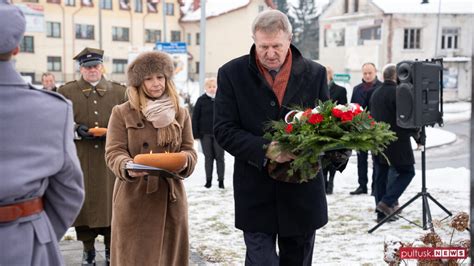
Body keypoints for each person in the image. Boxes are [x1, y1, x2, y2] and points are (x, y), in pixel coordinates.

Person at [214, 10, 329, 265]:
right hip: (255, 191)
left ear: (289, 38)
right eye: (262, 46)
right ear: (254, 40)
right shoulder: (231, 74)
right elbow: (223, 129)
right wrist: (266, 148)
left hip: (302, 192)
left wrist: (329, 147)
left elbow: (327, 125)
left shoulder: (316, 73)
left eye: (276, 45)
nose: (270, 53)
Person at [0, 3, 84, 265]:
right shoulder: (51, 110)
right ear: (17, 48)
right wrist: (37, 231)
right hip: (25, 244)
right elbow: (69, 191)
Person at [105, 51, 197, 265]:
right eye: (148, 78)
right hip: (134, 197)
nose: (156, 84)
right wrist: (127, 166)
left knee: (168, 258)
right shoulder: (122, 112)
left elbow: (190, 150)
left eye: (160, 77)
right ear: (138, 83)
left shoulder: (180, 113)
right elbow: (113, 151)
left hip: (170, 197)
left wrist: (184, 161)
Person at [58, 47, 127, 265]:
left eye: (95, 66)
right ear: (81, 69)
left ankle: (110, 249)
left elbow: (130, 121)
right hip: (80, 157)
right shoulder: (66, 92)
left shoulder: (119, 92)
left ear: (102, 66)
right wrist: (76, 129)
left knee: (112, 203)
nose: (92, 70)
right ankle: (88, 249)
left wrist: (112, 132)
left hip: (111, 158)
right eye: (87, 67)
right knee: (84, 205)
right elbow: (57, 120)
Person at [369, 63, 420, 222]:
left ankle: (381, 214)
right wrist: (417, 137)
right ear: (396, 76)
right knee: (407, 172)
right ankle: (387, 202)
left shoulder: (375, 93)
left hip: (378, 141)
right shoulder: (399, 93)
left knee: (380, 176)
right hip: (397, 142)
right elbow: (406, 120)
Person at [349, 62, 382, 195]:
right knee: (361, 159)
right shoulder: (357, 89)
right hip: (360, 128)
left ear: (375, 72)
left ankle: (375, 187)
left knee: (377, 160)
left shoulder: (381, 87)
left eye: (370, 73)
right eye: (365, 73)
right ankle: (362, 185)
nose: (367, 76)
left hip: (376, 128)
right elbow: (352, 107)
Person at [192, 77, 225, 189]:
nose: (212, 89)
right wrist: (195, 134)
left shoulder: (222, 99)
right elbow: (195, 117)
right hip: (205, 134)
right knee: (208, 158)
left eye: (214, 87)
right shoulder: (201, 100)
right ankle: (208, 181)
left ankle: (221, 181)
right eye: (209, 87)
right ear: (206, 88)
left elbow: (227, 115)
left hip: (219, 134)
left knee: (220, 157)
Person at [322, 66, 348, 194]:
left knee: (333, 156)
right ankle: (324, 181)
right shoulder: (317, 88)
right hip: (321, 128)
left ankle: (331, 181)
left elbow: (344, 108)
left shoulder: (340, 90)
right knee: (323, 156)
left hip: (335, 128)